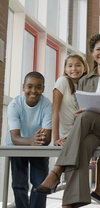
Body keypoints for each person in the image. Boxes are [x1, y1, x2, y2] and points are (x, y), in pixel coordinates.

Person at [35, 33, 100, 208]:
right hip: (93, 132)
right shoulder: (84, 80)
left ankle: (57, 170)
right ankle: (72, 202)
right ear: (92, 53)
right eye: (98, 49)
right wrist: (80, 115)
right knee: (83, 146)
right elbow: (81, 110)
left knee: (86, 116)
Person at [53, 53, 100, 207]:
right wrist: (56, 137)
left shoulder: (88, 83)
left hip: (84, 131)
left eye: (78, 65)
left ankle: (94, 189)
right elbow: (54, 111)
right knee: (78, 154)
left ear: (84, 67)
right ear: (65, 69)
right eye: (70, 66)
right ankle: (72, 198)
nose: (74, 69)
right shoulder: (62, 82)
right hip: (68, 134)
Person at [6, 71, 52, 208]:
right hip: (18, 148)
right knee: (19, 185)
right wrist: (32, 140)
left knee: (40, 184)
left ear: (43, 89)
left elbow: (47, 138)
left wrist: (35, 141)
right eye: (30, 86)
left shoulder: (47, 105)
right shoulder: (14, 105)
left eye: (38, 87)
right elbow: (15, 138)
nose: (34, 91)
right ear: (23, 87)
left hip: (39, 148)